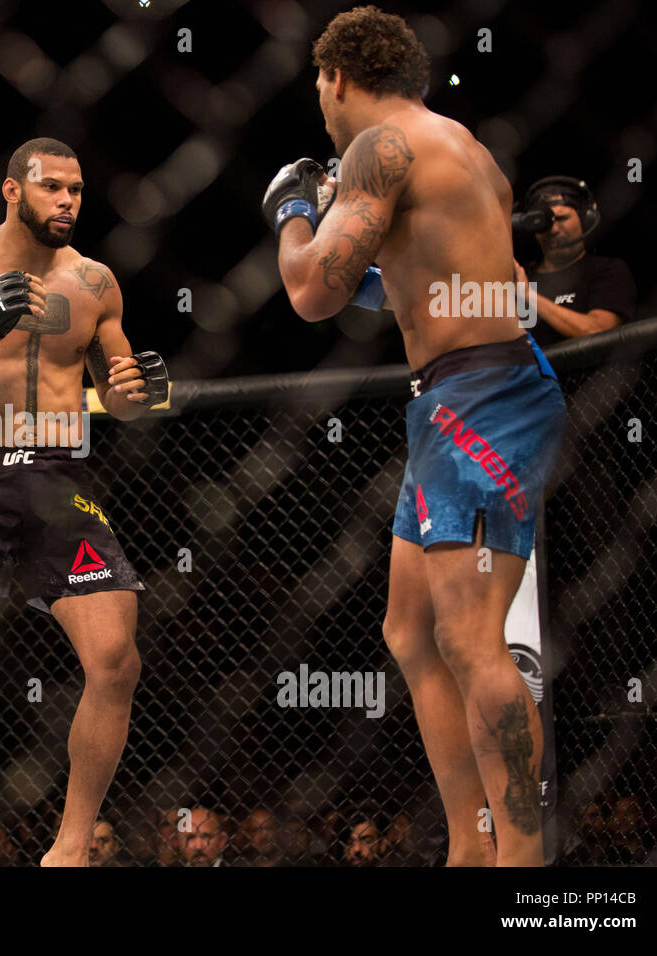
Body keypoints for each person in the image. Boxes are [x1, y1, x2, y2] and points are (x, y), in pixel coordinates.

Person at [265, 5, 565, 866]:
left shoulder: (378, 149)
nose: (321, 105)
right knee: (410, 630)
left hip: (482, 401)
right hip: (462, 398)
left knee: (470, 637)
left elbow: (312, 292)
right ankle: (473, 848)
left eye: (320, 87)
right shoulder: (459, 143)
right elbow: (415, 287)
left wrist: (291, 211)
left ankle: (520, 862)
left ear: (337, 79)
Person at [0, 137, 170, 867]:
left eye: (77, 189)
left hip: (60, 480)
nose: (69, 201)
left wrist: (136, 394)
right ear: (13, 190)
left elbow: (120, 391)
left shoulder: (97, 282)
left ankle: (70, 846)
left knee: (115, 659)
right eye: (53, 188)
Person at [512, 176, 635, 348]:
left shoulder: (607, 271)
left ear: (585, 220)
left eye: (562, 219)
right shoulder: (519, 278)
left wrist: (529, 296)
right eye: (544, 224)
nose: (553, 230)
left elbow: (598, 330)